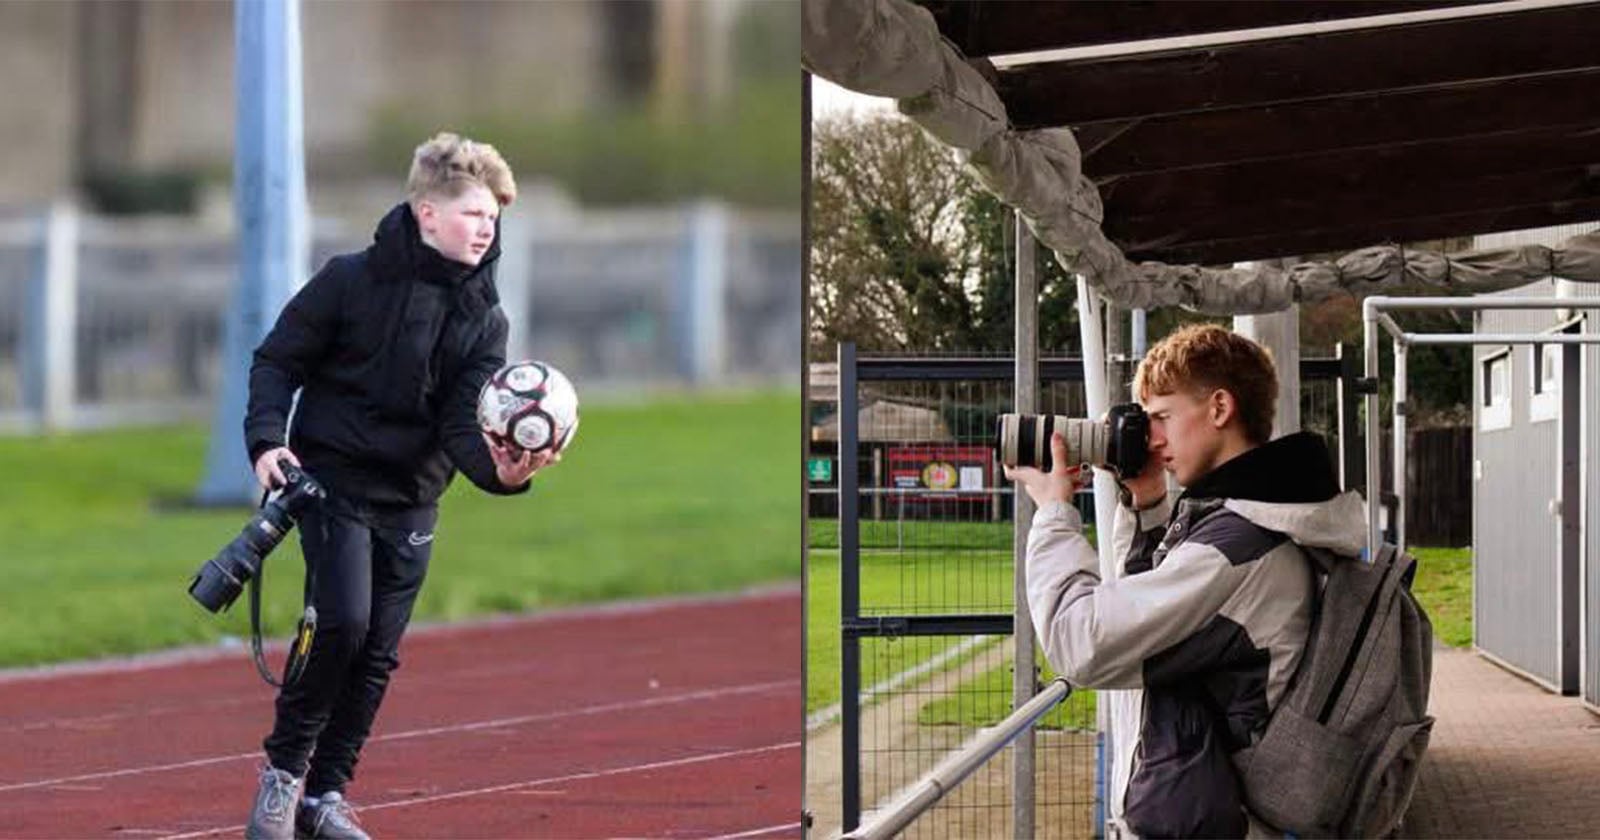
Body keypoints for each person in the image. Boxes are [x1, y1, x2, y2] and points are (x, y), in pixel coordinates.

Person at [242, 132, 559, 840]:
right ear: (426, 213)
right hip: (331, 483)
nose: (487, 227)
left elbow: (459, 424)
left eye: (494, 217)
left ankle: (325, 796)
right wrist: (268, 442)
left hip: (413, 498)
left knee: (378, 650)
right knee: (343, 623)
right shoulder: (348, 281)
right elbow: (276, 361)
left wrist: (503, 474)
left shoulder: (485, 318)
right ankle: (282, 778)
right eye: (474, 211)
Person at [1007, 324, 1366, 838]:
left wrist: (1054, 513)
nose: (1152, 439)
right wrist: (1148, 500)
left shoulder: (1237, 545)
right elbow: (1151, 611)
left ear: (1219, 408)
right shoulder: (1255, 519)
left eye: (1162, 418)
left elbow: (1080, 641)